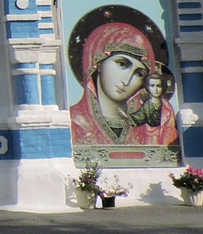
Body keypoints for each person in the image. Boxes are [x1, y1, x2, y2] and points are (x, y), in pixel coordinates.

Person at [69, 15, 178, 148]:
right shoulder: (75, 122)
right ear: (97, 62)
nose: (127, 81)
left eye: (139, 74)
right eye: (122, 64)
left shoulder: (158, 117)